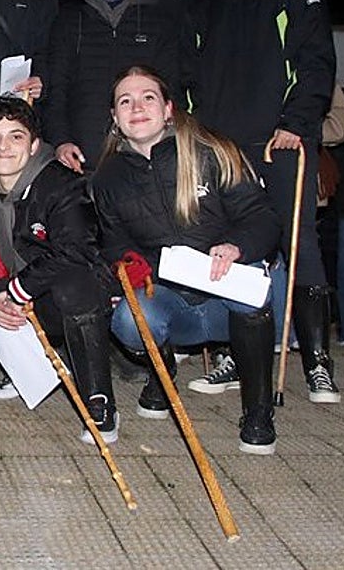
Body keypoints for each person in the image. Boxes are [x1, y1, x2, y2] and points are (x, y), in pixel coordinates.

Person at [188, 0, 340, 403]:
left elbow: (316, 60)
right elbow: (188, 73)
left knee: (299, 244)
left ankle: (317, 361)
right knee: (234, 245)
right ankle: (239, 353)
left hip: (280, 139)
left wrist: (297, 122)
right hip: (221, 147)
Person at [93, 65, 282, 454]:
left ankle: (258, 411)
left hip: (224, 294)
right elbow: (113, 246)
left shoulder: (213, 152)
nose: (137, 107)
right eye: (124, 101)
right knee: (129, 319)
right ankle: (163, 377)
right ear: (114, 118)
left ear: (167, 109)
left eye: (148, 98)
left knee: (252, 292)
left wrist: (237, 246)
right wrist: (127, 268)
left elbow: (262, 218)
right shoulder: (107, 178)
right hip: (169, 298)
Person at [0, 98, 119, 443]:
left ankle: (99, 399)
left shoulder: (61, 185)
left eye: (15, 137)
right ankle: (26, 370)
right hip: (9, 294)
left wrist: (18, 290)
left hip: (59, 294)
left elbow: (77, 250)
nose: (3, 147)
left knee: (72, 287)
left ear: (34, 145)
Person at [43, 0, 179, 174]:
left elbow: (173, 85)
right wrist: (60, 141)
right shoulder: (69, 20)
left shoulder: (159, 17)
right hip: (84, 159)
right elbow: (57, 88)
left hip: (147, 155)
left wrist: (170, 141)